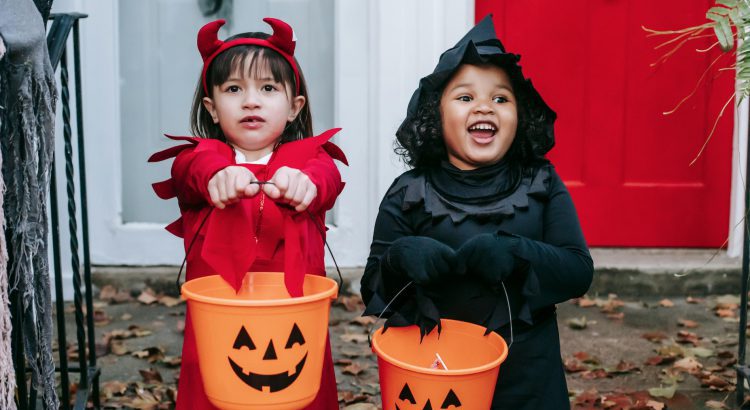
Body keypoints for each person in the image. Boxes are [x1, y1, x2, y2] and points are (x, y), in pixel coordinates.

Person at [360, 15, 593, 409]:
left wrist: (518, 253)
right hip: (435, 374)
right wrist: (400, 258)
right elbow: (373, 289)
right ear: (437, 115)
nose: (484, 106)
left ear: (519, 117)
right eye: (465, 97)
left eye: (500, 99)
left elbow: (577, 272)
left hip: (528, 373)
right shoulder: (410, 193)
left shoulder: (540, 183)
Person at [149, 18, 346, 410]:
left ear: (294, 107)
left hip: (291, 329)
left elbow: (327, 180)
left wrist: (307, 183)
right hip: (221, 327)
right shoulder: (201, 160)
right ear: (212, 108)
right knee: (214, 393)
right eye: (234, 89)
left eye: (268, 88)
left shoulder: (310, 162)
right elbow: (189, 173)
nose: (251, 101)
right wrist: (216, 178)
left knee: (299, 393)